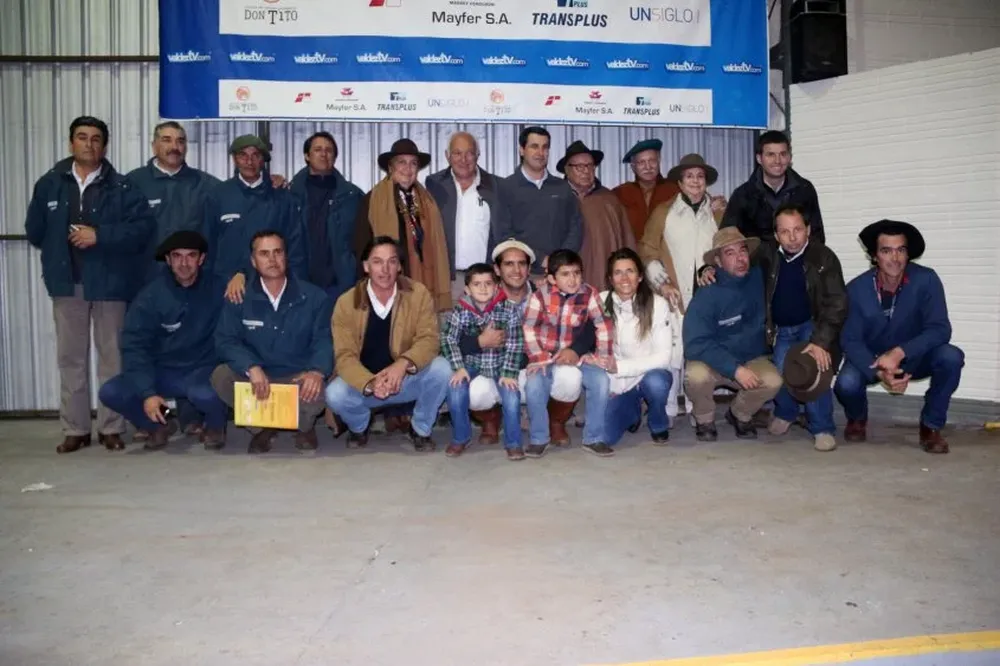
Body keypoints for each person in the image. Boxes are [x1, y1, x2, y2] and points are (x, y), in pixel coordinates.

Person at [24, 115, 154, 453]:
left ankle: (111, 427)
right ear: (71, 143)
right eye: (82, 137)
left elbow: (142, 230)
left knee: (112, 358)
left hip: (111, 284)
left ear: (104, 145)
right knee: (71, 359)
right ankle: (76, 428)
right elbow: (35, 231)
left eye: (96, 139)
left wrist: (101, 235)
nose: (89, 144)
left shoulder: (123, 187)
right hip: (68, 285)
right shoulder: (49, 184)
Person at [834, 220, 963, 454]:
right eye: (886, 251)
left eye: (900, 250)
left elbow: (940, 329)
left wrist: (899, 352)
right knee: (846, 383)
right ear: (874, 256)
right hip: (873, 360)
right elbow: (850, 340)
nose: (895, 258)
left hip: (915, 357)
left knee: (951, 357)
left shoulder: (926, 280)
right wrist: (880, 371)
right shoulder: (856, 289)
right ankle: (857, 419)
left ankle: (930, 426)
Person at [98, 231, 228, 451]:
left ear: (202, 259)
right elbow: (135, 346)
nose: (184, 263)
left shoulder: (220, 289)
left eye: (191, 256)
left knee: (205, 394)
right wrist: (148, 393)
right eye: (177, 256)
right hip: (163, 371)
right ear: (168, 260)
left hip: (203, 370)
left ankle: (215, 426)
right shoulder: (150, 296)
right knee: (110, 392)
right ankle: (157, 425)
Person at [325, 236, 452, 451]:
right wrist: (370, 383)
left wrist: (402, 365)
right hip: (365, 386)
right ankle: (359, 427)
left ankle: (420, 429)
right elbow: (344, 356)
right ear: (366, 266)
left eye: (392, 261)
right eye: (377, 262)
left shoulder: (418, 293)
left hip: (404, 380)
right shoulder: (347, 302)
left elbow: (429, 340)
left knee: (441, 369)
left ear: (400, 266)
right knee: (334, 394)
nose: (385, 269)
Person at [211, 230, 333, 453]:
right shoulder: (239, 297)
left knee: (328, 385)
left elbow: (324, 339)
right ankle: (261, 429)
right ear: (253, 261)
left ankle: (304, 428)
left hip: (298, 377)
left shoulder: (314, 297)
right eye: (264, 254)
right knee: (221, 376)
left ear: (286, 256)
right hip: (260, 379)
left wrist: (316, 371)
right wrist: (250, 367)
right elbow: (225, 340)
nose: (272, 259)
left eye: (278, 252)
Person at [638, 153, 725, 421]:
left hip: (708, 296)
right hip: (673, 294)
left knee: (699, 352)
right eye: (689, 176)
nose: (695, 181)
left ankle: (696, 409)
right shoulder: (664, 211)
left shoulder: (719, 212)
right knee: (673, 352)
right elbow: (647, 250)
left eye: (700, 176)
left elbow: (729, 250)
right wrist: (662, 284)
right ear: (680, 181)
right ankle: (667, 410)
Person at [760, 204, 847, 451]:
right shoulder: (768, 255)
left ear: (808, 229)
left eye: (798, 229)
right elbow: (737, 263)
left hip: (813, 326)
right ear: (776, 235)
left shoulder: (824, 257)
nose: (792, 237)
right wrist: (708, 268)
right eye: (785, 231)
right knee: (780, 373)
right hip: (781, 329)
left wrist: (821, 341)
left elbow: (837, 302)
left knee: (815, 370)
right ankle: (786, 413)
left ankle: (822, 428)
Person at [683, 229, 783, 441]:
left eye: (743, 251)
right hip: (714, 363)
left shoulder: (759, 277)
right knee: (695, 376)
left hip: (751, 359)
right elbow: (694, 344)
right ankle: (704, 418)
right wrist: (734, 369)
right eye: (730, 253)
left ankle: (740, 413)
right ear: (717, 261)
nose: (740, 259)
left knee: (773, 380)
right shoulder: (707, 292)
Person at [522, 249, 614, 458]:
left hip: (578, 356)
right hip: (546, 355)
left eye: (577, 273)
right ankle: (539, 438)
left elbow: (603, 326)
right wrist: (539, 358)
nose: (573, 279)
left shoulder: (589, 293)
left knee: (601, 381)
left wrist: (602, 357)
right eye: (565, 274)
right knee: (534, 384)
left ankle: (594, 438)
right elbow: (529, 328)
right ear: (552, 278)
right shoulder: (539, 296)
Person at [202, 135, 305, 303]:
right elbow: (207, 245)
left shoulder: (282, 198)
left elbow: (295, 247)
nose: (249, 161)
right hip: (225, 287)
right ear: (234, 159)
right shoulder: (218, 196)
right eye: (243, 155)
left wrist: (295, 286)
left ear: (263, 160)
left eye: (255, 155)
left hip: (271, 287)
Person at [353, 138, 452, 313]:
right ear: (391, 167)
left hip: (423, 278)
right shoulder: (372, 201)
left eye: (413, 163)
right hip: (389, 281)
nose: (408, 168)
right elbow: (361, 247)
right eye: (402, 163)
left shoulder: (427, 201)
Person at [441, 263, 525, 460]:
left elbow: (515, 343)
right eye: (477, 284)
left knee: (512, 397)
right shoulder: (460, 311)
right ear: (467, 289)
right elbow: (448, 339)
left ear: (496, 286)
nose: (483, 288)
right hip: (471, 363)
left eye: (488, 283)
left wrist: (508, 372)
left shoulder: (509, 310)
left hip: (500, 362)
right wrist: (459, 368)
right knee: (454, 390)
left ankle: (513, 443)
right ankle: (461, 437)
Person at [127, 121, 221, 281]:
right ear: (154, 145)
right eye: (166, 140)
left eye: (180, 141)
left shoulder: (207, 185)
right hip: (144, 280)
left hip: (193, 281)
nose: (174, 146)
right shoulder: (133, 183)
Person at [600, 249, 674, 448]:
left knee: (657, 383)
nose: (624, 278)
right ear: (610, 278)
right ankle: (633, 412)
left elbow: (663, 357)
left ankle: (658, 423)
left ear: (640, 276)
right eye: (618, 272)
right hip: (619, 383)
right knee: (603, 437)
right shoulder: (601, 301)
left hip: (649, 374)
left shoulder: (657, 304)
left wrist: (621, 367)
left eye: (630, 271)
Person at [425, 131, 508, 300]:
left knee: (486, 327)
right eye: (457, 153)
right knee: (447, 326)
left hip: (484, 281)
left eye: (469, 153)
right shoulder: (433, 185)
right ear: (447, 156)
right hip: (447, 281)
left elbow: (505, 232)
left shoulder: (497, 186)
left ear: (478, 155)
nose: (463, 160)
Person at [498, 126, 582, 281]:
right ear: (521, 150)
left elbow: (575, 226)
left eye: (545, 147)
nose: (540, 153)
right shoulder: (505, 188)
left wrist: (559, 261)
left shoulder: (562, 187)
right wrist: (540, 258)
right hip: (521, 275)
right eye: (534, 146)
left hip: (560, 274)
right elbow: (504, 233)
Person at [289, 131, 363, 303]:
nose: (324, 154)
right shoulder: (289, 195)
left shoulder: (353, 196)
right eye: (318, 150)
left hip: (339, 285)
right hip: (300, 282)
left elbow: (362, 242)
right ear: (307, 156)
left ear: (335, 157)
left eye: (329, 150)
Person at [721, 130, 825, 244]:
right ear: (759, 159)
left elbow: (817, 235)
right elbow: (727, 240)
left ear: (790, 157)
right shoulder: (743, 195)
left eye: (783, 154)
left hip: (798, 260)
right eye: (771, 155)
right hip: (757, 261)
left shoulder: (804, 190)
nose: (777, 161)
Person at [557, 140, 635, 288]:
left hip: (602, 278)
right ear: (567, 170)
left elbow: (627, 242)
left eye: (590, 165)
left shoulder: (609, 200)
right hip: (564, 279)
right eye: (579, 166)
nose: (586, 171)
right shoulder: (555, 198)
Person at [612, 139, 680, 241]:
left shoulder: (674, 190)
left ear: (659, 161)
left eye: (652, 161)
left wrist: (712, 202)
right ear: (633, 167)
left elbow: (698, 199)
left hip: (666, 254)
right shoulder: (621, 193)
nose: (648, 167)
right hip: (633, 254)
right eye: (641, 162)